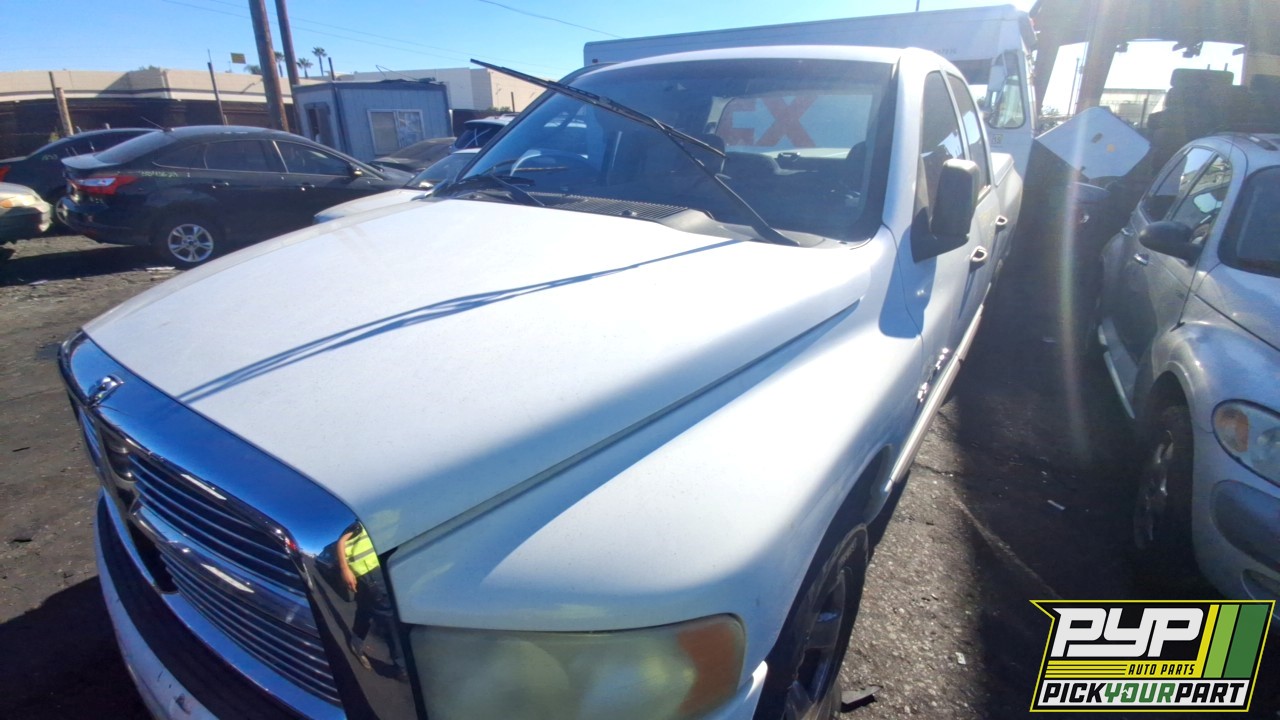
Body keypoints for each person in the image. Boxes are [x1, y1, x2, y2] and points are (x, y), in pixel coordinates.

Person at [337, 525, 406, 678]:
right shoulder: (364, 518)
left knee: (364, 608)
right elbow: (342, 541)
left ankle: (356, 640)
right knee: (388, 619)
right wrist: (345, 569)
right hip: (371, 572)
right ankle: (402, 667)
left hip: (373, 570)